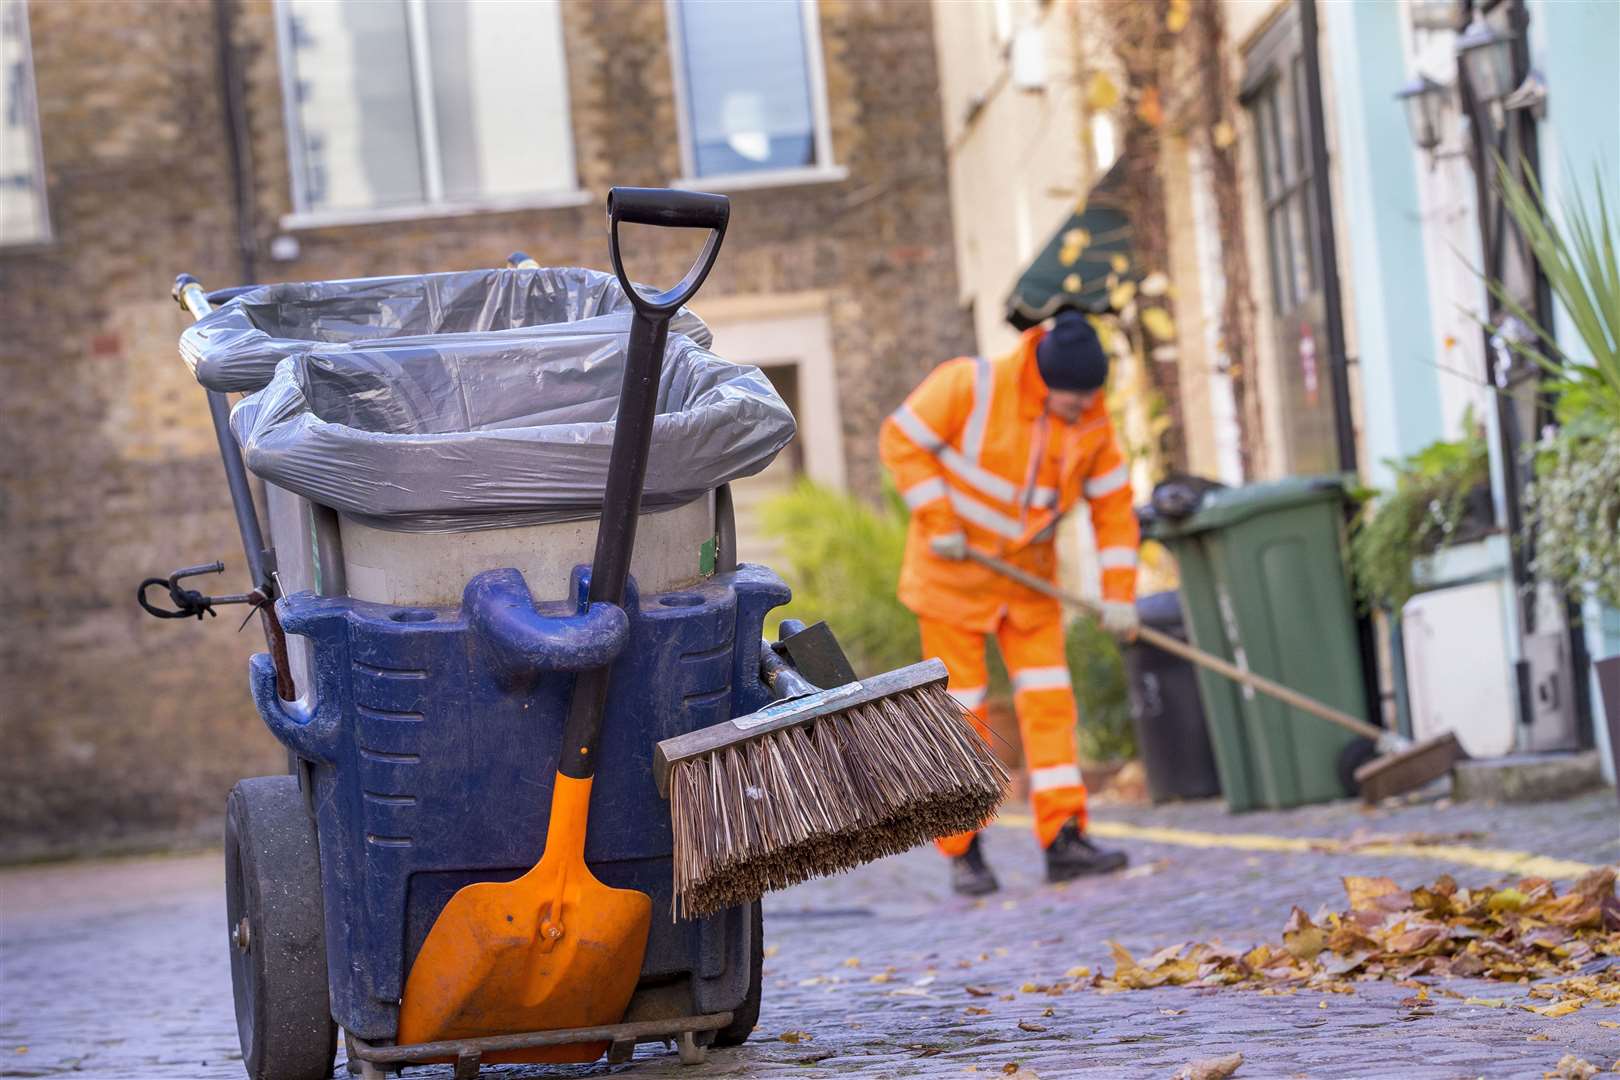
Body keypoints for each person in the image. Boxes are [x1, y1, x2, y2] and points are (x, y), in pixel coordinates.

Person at [878, 310, 1139, 896]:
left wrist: (1120, 597)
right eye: (1072, 401)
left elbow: (1115, 512)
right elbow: (900, 439)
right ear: (1043, 384)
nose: (1081, 411)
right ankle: (965, 850)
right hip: (953, 579)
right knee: (961, 712)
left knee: (1050, 705)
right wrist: (939, 518)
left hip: (1028, 585)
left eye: (1088, 400)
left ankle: (1065, 837)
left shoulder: (1092, 423)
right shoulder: (969, 385)